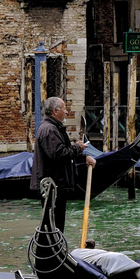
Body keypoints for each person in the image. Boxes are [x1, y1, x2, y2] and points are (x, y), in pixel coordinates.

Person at [30, 96, 85, 234]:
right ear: (55, 111)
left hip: (55, 185)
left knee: (53, 224)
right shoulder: (49, 130)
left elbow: (61, 150)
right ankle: (51, 254)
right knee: (52, 225)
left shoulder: (52, 128)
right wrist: (77, 148)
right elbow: (58, 154)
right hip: (53, 186)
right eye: (64, 109)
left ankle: (54, 252)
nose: (66, 112)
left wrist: (83, 156)